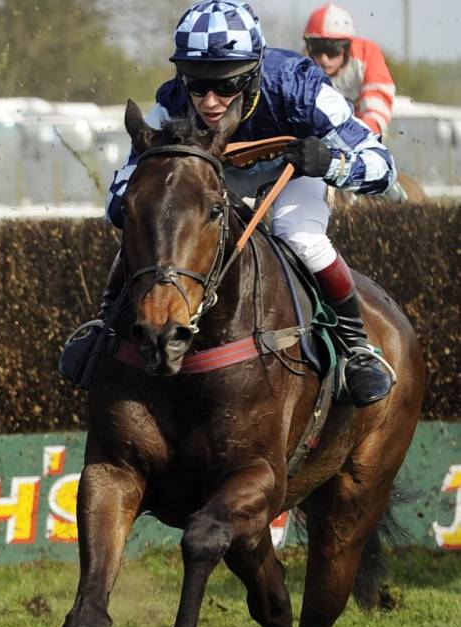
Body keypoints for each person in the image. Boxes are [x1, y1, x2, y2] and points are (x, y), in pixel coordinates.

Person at [68, 0, 397, 405]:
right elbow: (128, 177)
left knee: (299, 235)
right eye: (198, 84)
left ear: (255, 72)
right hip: (217, 178)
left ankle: (355, 346)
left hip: (294, 174)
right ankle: (104, 322)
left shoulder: (301, 86)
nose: (209, 101)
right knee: (163, 223)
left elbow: (383, 166)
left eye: (227, 85)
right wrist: (127, 204)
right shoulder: (172, 98)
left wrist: (333, 163)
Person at [303, 3, 395, 137]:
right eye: (317, 50)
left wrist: (355, 137)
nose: (324, 59)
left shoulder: (367, 54)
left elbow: (377, 108)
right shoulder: (302, 66)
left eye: (331, 51)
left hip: (363, 134)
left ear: (346, 49)